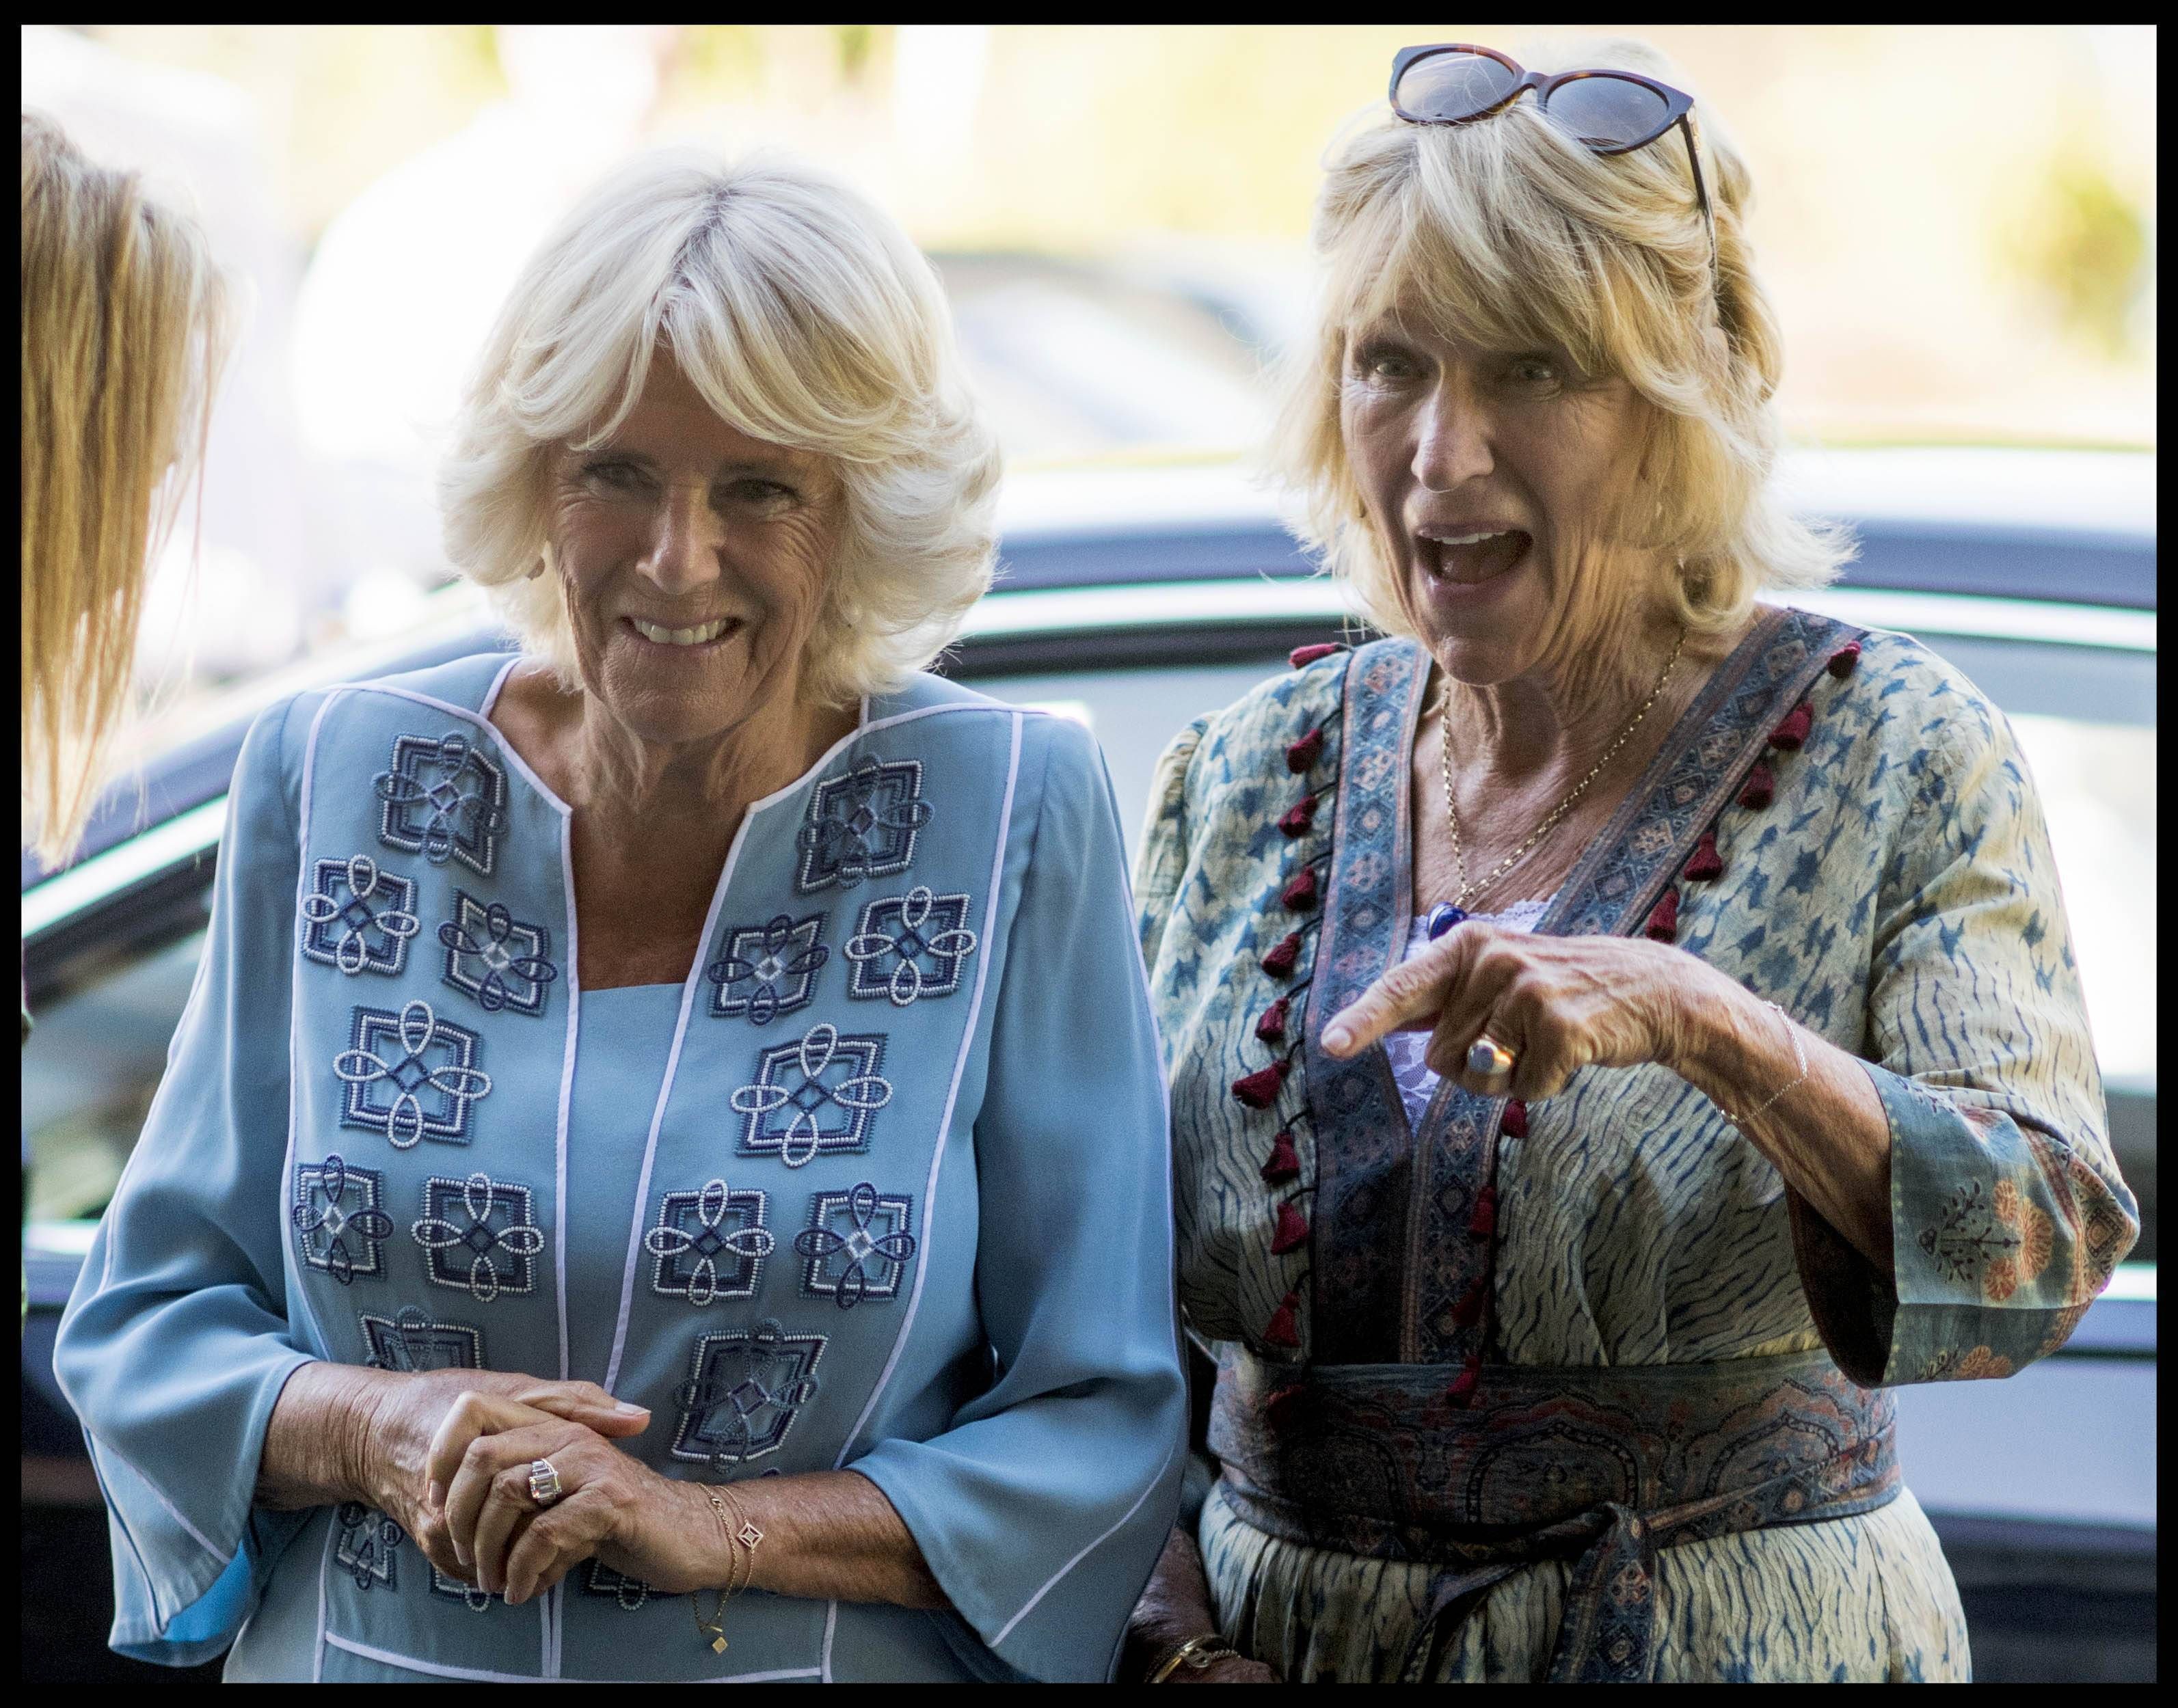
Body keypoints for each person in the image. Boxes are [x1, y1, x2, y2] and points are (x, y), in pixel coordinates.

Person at [55, 148, 1187, 1683]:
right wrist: (379, 1427)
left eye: (761, 487)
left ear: (865, 508)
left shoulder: (1009, 810)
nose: (677, 556)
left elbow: (1099, 1416)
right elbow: (145, 1324)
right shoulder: (334, 778)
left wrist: (711, 1526)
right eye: (616, 472)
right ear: (534, 483)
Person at [1127, 37, 2136, 1684]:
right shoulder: (1234, 782)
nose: (1441, 453)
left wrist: (1699, 1016)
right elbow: (1087, 1329)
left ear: (1688, 397)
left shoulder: (1897, 752)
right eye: (1391, 364)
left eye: (1531, 367)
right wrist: (1164, 1632)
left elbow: (2039, 1246)